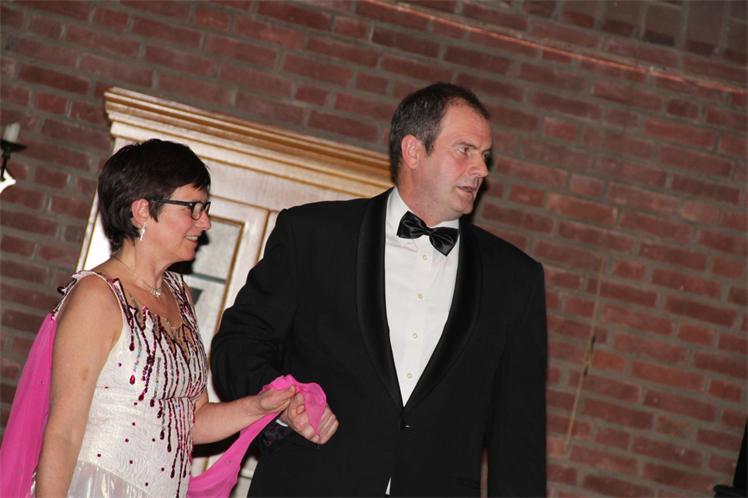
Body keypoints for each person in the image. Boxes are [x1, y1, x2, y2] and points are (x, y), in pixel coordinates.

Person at [211, 82, 547, 497]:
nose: (481, 169)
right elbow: (239, 344)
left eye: (485, 155)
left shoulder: (514, 279)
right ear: (413, 151)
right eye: (465, 150)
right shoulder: (314, 235)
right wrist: (281, 401)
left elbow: (520, 436)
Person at [31, 139, 305, 497]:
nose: (205, 222)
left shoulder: (179, 293)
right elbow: (63, 433)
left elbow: (191, 421)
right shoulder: (98, 296)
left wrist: (258, 406)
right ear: (142, 211)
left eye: (205, 208)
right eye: (193, 207)